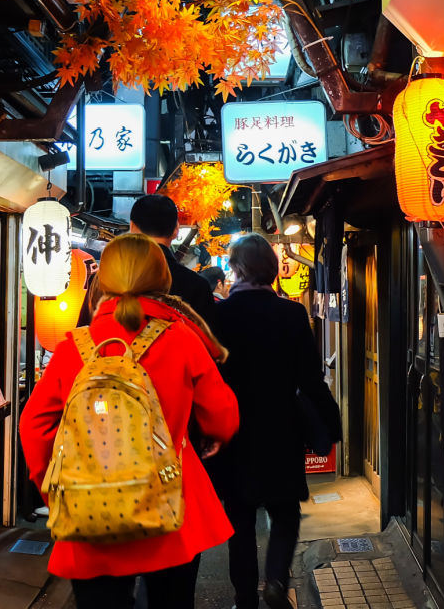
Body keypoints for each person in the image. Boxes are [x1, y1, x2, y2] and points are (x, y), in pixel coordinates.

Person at [19, 234, 239, 609]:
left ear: (102, 280)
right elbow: (221, 411)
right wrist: (216, 437)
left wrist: (56, 489)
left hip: (88, 514)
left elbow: (34, 425)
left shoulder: (76, 345)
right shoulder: (180, 336)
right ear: (161, 278)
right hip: (169, 506)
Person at [214, 233, 334, 609]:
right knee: (285, 511)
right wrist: (328, 420)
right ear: (271, 269)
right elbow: (310, 378)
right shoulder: (292, 314)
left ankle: (245, 598)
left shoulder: (218, 316)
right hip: (281, 427)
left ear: (235, 269)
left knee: (240, 522)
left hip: (233, 431)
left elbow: (210, 378)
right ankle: (277, 580)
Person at [130, 194, 217, 330]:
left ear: (132, 227)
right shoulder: (197, 286)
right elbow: (210, 343)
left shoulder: (109, 281)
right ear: (176, 229)